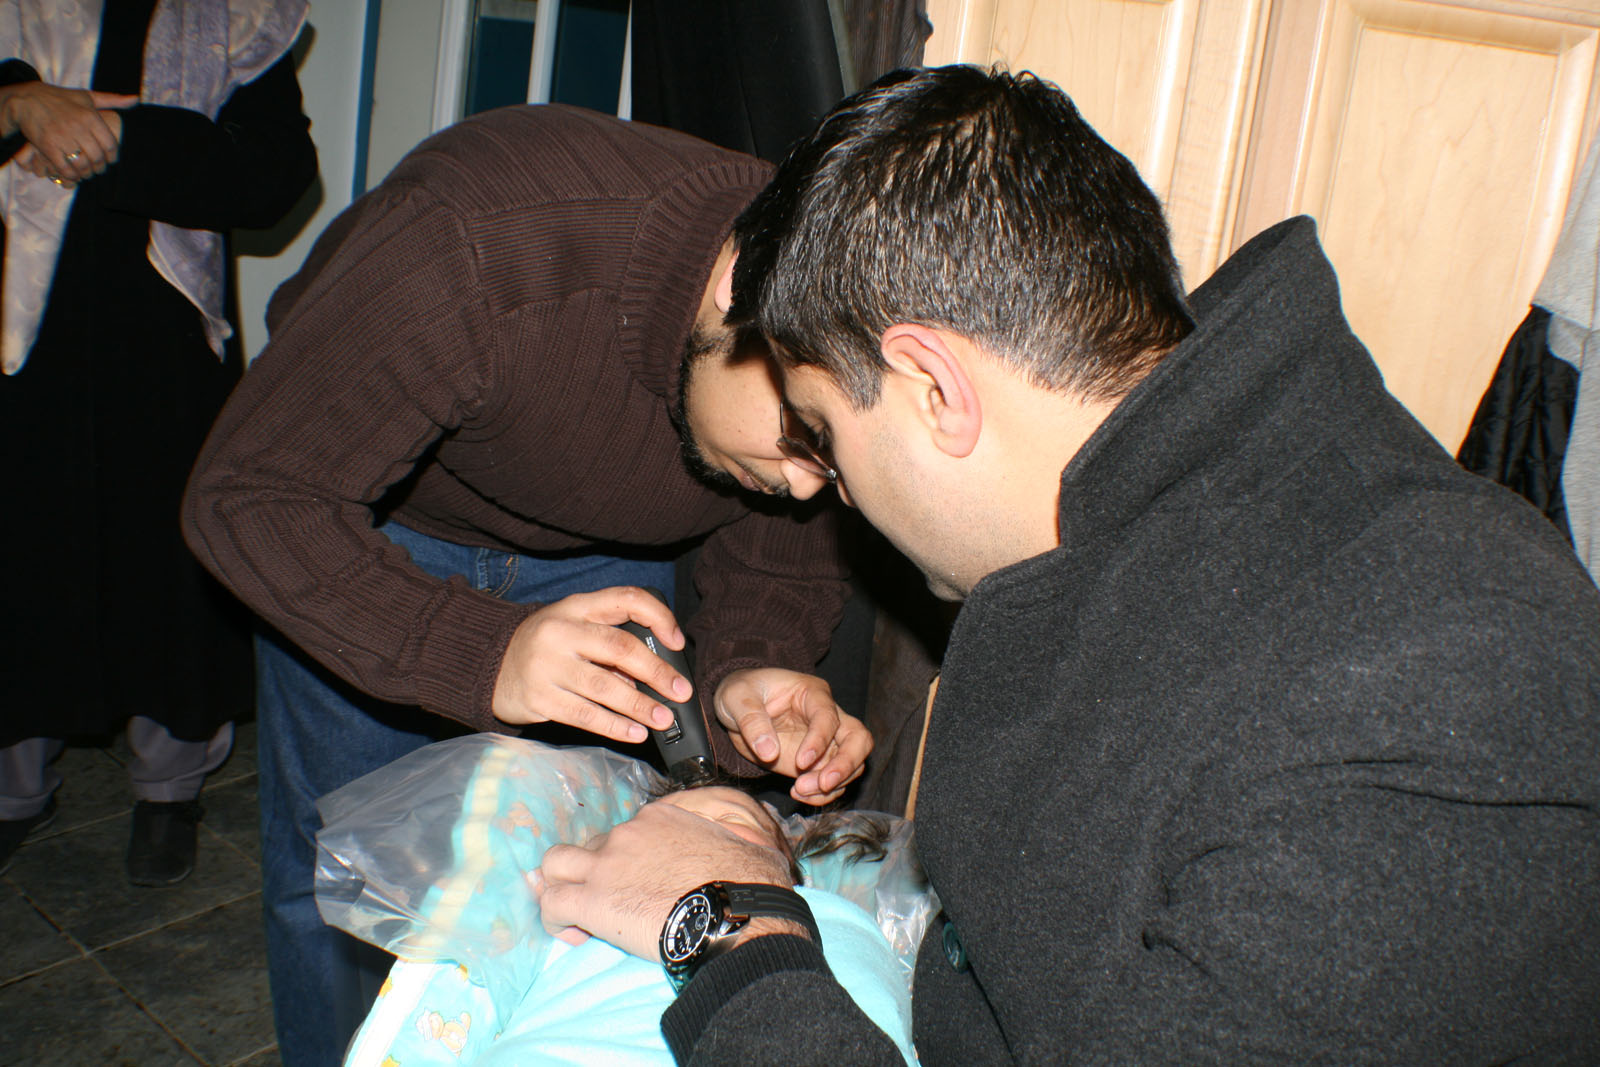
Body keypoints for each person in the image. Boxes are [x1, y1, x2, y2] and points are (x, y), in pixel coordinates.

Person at [534, 65, 1600, 1062]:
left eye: (823, 432)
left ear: (934, 387)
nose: (835, 488)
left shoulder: (1441, 697)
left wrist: (722, 928)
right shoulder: (1182, 508)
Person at [181, 102, 874, 1065]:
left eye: (835, 459)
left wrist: (750, 666)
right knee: (341, 877)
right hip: (366, 525)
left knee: (567, 885)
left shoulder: (829, 329)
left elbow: (781, 540)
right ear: (736, 286)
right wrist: (485, 650)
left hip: (607, 549)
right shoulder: (474, 237)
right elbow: (249, 497)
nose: (806, 487)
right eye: (800, 436)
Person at [0, 0, 315, 885]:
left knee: (166, 565)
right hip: (15, 335)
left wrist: (121, 138)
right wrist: (20, 102)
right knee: (18, 554)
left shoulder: (234, 16)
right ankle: (13, 790)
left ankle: (168, 791)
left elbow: (276, 175)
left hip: (164, 339)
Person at [341, 784, 923, 1067]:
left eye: (731, 821)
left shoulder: (831, 916)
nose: (688, 839)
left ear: (792, 873)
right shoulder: (569, 929)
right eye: (654, 829)